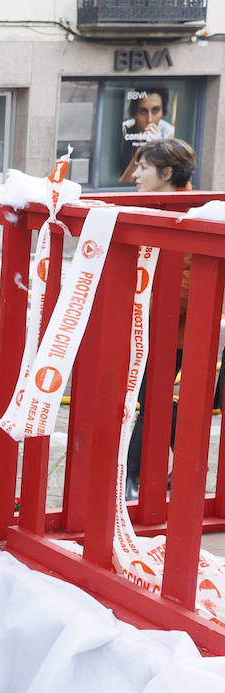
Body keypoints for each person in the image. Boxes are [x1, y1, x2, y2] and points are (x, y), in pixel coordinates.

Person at [123, 137, 225, 499]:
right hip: (148, 329)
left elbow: (184, 288)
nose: (136, 174)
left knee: (151, 401)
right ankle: (187, 464)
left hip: (171, 333)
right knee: (154, 400)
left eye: (143, 167)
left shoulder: (194, 215)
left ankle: (131, 479)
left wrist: (131, 294)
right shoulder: (155, 207)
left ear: (167, 172)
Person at [118, 88, 176, 182]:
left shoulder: (169, 133)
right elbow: (123, 183)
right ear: (134, 114)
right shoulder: (124, 130)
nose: (149, 120)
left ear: (162, 113)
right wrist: (141, 150)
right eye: (143, 112)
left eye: (155, 111)